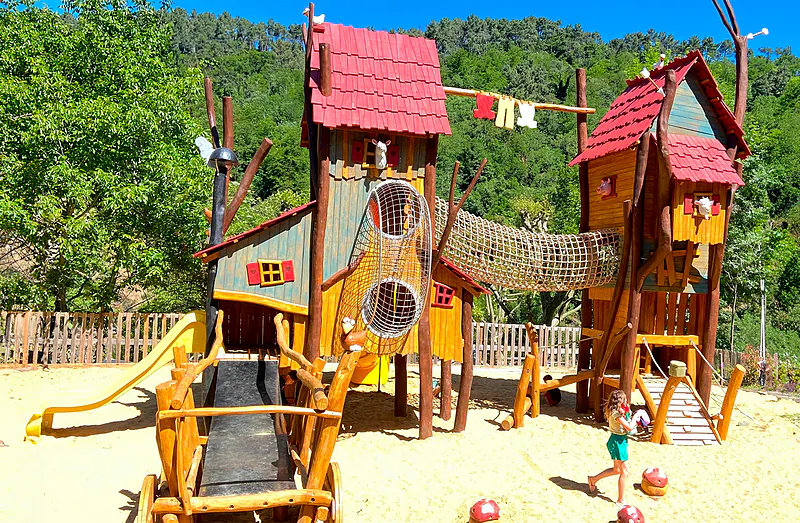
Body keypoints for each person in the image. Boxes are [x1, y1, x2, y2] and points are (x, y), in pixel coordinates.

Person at [587, 390, 636, 505]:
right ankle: (620, 499)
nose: (626, 402)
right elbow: (629, 427)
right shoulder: (616, 414)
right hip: (617, 442)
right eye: (624, 400)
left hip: (620, 441)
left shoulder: (618, 412)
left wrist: (627, 412)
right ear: (620, 401)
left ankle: (593, 479)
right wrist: (636, 417)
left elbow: (626, 421)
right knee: (625, 472)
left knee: (616, 470)